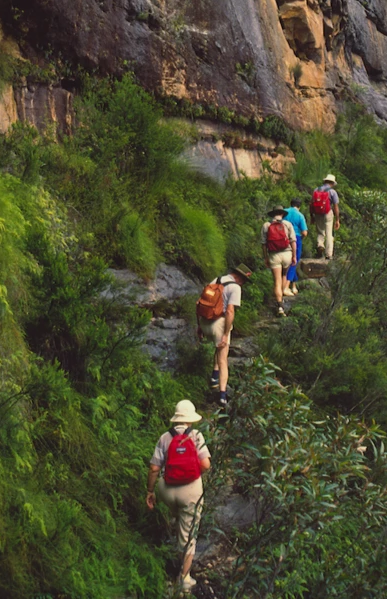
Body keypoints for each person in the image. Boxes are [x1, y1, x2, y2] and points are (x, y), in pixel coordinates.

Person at [146, 399, 211, 593]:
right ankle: (184, 578)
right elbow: (206, 465)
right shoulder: (196, 436)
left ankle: (176, 533)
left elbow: (154, 468)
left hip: (167, 490)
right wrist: (191, 471)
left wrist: (150, 491)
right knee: (188, 533)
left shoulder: (165, 437)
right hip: (189, 491)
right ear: (191, 420)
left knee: (178, 518)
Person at [196, 264, 252, 408]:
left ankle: (214, 376)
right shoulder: (235, 288)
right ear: (240, 277)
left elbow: (200, 303)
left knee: (217, 347)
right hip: (218, 325)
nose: (243, 284)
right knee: (223, 359)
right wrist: (226, 334)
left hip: (205, 322)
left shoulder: (217, 280)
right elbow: (230, 312)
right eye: (244, 280)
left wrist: (199, 326)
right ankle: (222, 396)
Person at [261, 206, 297, 317]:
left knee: (277, 281)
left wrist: (266, 258)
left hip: (274, 255)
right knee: (284, 275)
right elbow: (293, 242)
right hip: (287, 254)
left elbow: (263, 244)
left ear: (273, 214)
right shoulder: (287, 224)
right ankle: (282, 299)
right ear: (282, 214)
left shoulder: (266, 226)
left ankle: (280, 306)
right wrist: (294, 256)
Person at [310, 174, 340, 260]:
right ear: (332, 183)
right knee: (329, 233)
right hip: (327, 213)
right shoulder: (332, 192)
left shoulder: (316, 190)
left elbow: (311, 204)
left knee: (320, 232)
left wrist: (312, 216)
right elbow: (336, 206)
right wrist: (337, 220)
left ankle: (320, 245)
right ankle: (328, 254)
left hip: (318, 213)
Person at [283, 198, 307, 296]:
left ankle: (293, 286)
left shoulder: (284, 212)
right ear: (299, 206)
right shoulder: (300, 215)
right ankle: (286, 287)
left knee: (288, 263)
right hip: (296, 239)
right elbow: (305, 232)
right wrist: (300, 238)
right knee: (293, 262)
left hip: (283, 238)